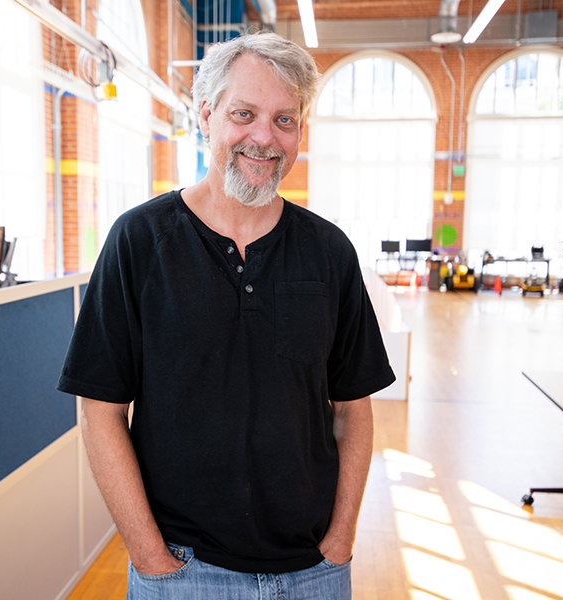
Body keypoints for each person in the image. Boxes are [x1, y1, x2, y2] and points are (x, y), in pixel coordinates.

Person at [57, 31, 395, 600]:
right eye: (245, 113)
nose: (265, 138)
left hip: (313, 570)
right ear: (207, 115)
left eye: (285, 120)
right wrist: (149, 556)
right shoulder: (139, 242)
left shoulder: (329, 251)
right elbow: (100, 411)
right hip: (184, 570)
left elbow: (352, 409)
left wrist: (340, 540)